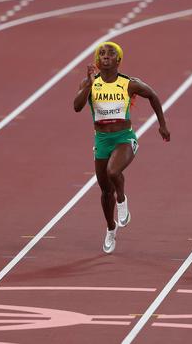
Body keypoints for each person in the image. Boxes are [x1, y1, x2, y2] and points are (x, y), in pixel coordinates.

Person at [73, 41, 170, 254]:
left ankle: (122, 199)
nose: (105, 56)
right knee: (104, 190)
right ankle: (110, 228)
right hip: (101, 141)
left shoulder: (128, 83)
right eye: (102, 53)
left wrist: (162, 125)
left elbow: (153, 95)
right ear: (98, 61)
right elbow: (76, 107)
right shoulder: (91, 83)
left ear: (118, 60)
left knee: (113, 171)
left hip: (124, 138)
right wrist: (88, 85)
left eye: (110, 53)